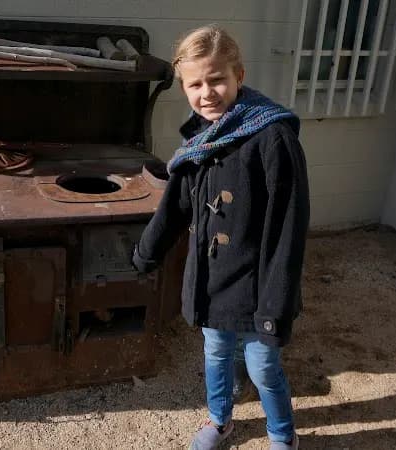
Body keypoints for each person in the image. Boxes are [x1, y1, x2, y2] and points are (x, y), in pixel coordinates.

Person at [131, 25, 310, 450]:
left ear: (239, 76)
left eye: (217, 80)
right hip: (212, 284)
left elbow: (289, 229)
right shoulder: (200, 139)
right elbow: (176, 204)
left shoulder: (273, 138)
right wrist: (146, 253)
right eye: (195, 84)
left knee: (263, 365)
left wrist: (276, 306)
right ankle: (220, 421)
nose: (207, 92)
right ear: (184, 86)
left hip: (258, 286)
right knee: (216, 355)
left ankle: (283, 437)